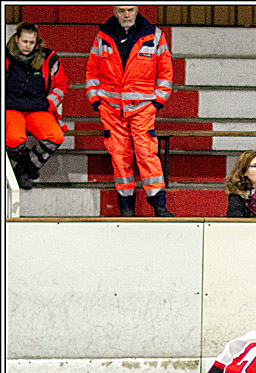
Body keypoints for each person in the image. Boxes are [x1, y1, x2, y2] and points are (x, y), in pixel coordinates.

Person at [86, 6, 174, 217]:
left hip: (143, 109)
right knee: (119, 157)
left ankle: (159, 205)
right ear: (114, 11)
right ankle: (126, 207)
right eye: (121, 10)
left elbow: (166, 73)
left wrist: (157, 103)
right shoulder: (102, 36)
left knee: (147, 154)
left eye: (130, 10)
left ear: (137, 10)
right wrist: (96, 101)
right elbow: (92, 70)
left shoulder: (155, 36)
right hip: (111, 109)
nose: (126, 14)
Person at [5, 22, 69, 190]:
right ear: (17, 39)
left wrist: (49, 103)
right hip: (10, 108)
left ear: (37, 42)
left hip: (39, 108)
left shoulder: (48, 59)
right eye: (24, 41)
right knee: (13, 140)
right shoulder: (5, 57)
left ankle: (24, 168)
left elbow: (62, 85)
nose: (28, 46)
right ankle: (24, 168)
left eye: (31, 42)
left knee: (56, 136)